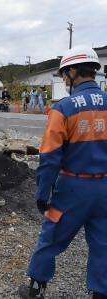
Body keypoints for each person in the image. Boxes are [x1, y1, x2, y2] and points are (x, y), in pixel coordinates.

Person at [18, 46, 107, 299]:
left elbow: (49, 157)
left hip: (71, 190)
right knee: (103, 244)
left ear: (72, 72)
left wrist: (42, 193)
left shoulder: (64, 108)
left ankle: (35, 287)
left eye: (64, 74)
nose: (64, 80)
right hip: (104, 190)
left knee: (51, 236)